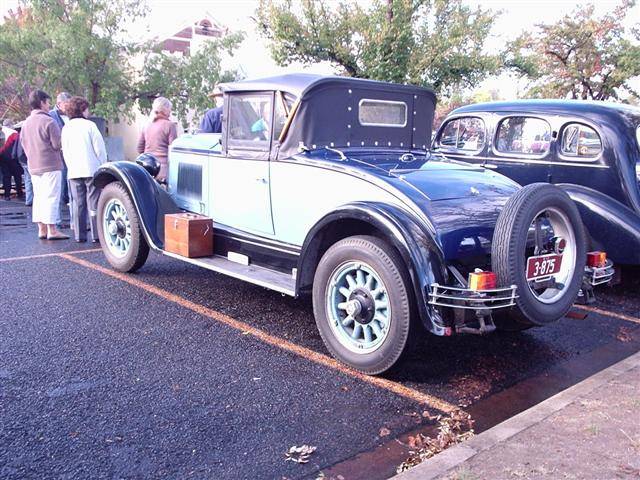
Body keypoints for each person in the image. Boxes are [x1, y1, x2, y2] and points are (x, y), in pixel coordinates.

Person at [20, 89, 68, 240]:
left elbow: (23, 144)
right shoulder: (49, 121)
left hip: (33, 165)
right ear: (41, 103)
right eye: (47, 102)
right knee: (52, 197)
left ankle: (41, 229)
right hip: (51, 164)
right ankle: (52, 230)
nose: (49, 105)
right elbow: (57, 144)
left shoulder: (26, 123)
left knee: (39, 197)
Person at [61, 96, 106, 243]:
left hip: (74, 170)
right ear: (82, 109)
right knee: (93, 202)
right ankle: (96, 234)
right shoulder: (90, 126)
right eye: (87, 108)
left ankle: (80, 235)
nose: (89, 111)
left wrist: (70, 166)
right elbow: (99, 149)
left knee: (79, 204)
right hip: (91, 168)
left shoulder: (66, 127)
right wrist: (102, 165)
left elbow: (65, 151)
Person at [137, 97, 177, 183]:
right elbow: (174, 151)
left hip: (147, 170)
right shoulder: (170, 125)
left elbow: (139, 149)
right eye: (170, 109)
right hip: (165, 172)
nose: (170, 112)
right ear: (165, 110)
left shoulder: (145, 125)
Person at [49, 92, 71, 221]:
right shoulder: (51, 116)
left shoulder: (71, 115)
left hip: (70, 153)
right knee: (61, 182)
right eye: (66, 104)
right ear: (59, 104)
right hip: (59, 154)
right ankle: (59, 215)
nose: (68, 107)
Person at [0, 120, 23, 200]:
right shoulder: (14, 133)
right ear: (10, 125)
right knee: (17, 176)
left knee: (6, 176)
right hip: (13, 157)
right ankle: (19, 193)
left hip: (2, 157)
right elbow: (18, 146)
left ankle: (7, 195)